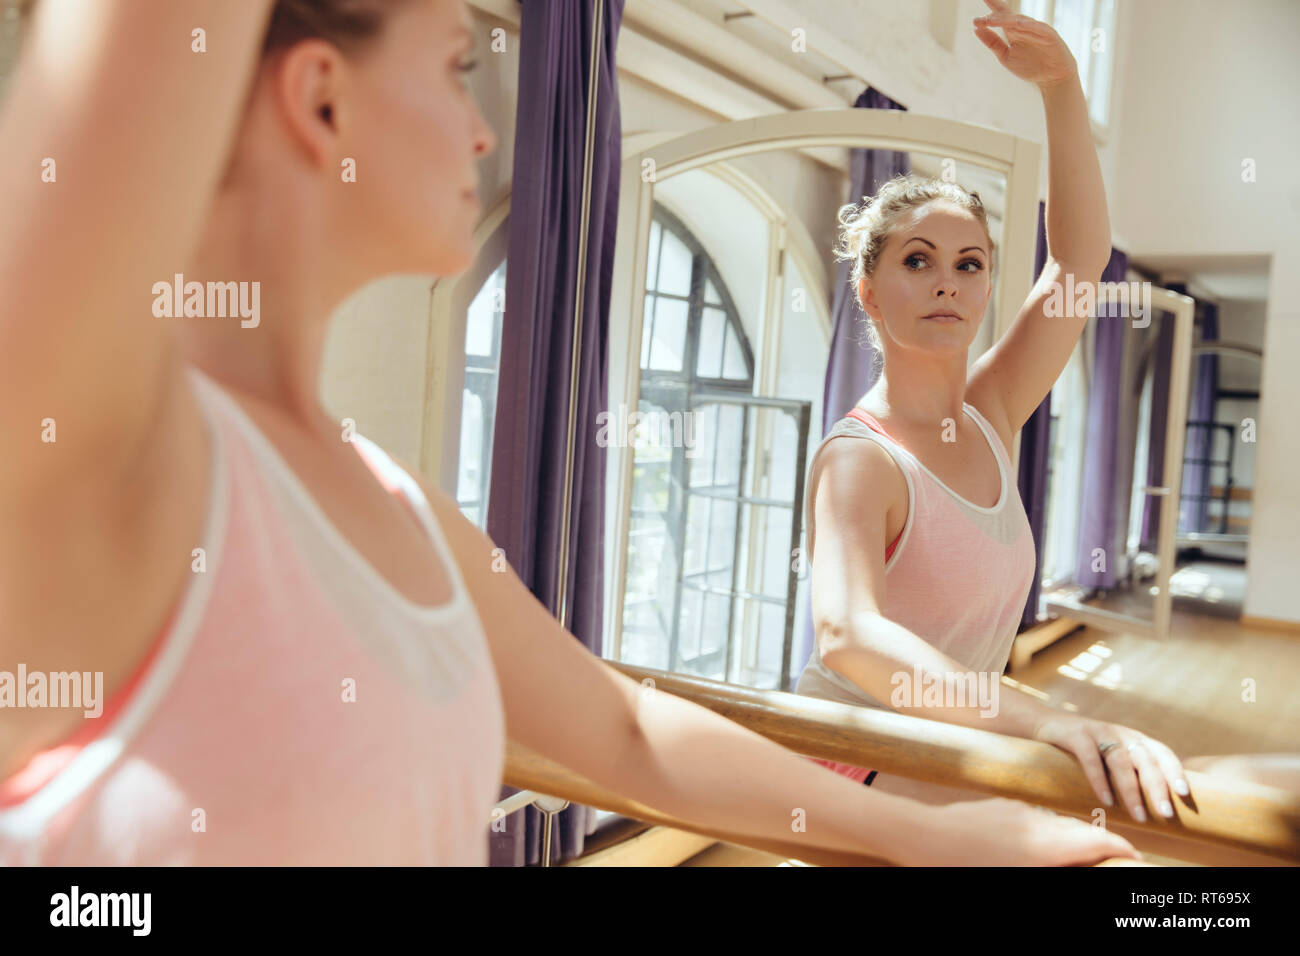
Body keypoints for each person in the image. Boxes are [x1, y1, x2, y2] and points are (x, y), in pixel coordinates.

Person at [0, 0, 1139, 866]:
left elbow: (633, 737)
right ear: (321, 101)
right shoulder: (115, 465)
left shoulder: (395, 509)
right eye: (457, 67)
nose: (486, 133)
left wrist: (969, 837)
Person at [797, 4, 1193, 833]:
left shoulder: (989, 413)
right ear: (869, 291)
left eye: (969, 263)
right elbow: (847, 635)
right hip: (854, 758)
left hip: (950, 746)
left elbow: (1080, 265)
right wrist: (1048, 720)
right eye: (918, 261)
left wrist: (1061, 88)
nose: (948, 281)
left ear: (985, 290)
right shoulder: (860, 460)